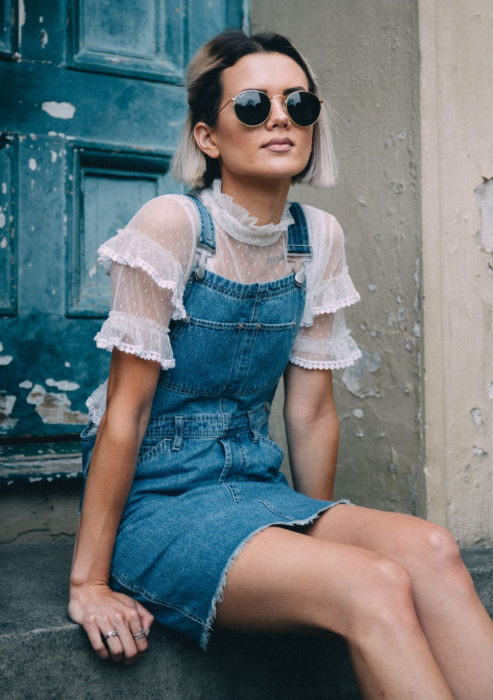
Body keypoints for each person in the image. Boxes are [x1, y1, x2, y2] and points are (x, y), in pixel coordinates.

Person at [69, 30, 493, 698]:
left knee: (431, 550)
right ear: (208, 137)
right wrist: (88, 583)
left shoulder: (316, 238)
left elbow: (311, 409)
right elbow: (127, 411)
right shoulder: (173, 225)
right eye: (252, 105)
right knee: (370, 581)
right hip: (159, 506)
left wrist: (310, 550)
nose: (279, 117)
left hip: (256, 487)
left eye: (298, 103)